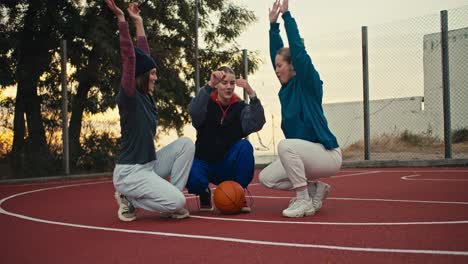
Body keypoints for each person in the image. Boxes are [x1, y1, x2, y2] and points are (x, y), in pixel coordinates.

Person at [105, 0, 195, 222]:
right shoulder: (129, 96)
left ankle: (171, 200)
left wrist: (139, 23)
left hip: (149, 165)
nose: (155, 77)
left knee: (186, 144)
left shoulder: (147, 95)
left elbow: (143, 55)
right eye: (152, 73)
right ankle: (131, 198)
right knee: (179, 202)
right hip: (130, 173)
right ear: (142, 75)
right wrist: (121, 20)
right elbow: (130, 58)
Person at [259, 0, 342, 218]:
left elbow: (299, 51)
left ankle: (303, 199)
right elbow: (275, 53)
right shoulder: (286, 90)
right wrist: (273, 27)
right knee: (266, 178)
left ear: (293, 65)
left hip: (326, 154)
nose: (276, 70)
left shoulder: (307, 84)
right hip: (305, 156)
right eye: (275, 66)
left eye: (280, 66)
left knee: (285, 146)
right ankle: (315, 189)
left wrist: (287, 17)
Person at [186, 66, 266, 212]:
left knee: (245, 146)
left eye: (232, 83)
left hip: (227, 164)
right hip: (204, 162)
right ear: (217, 85)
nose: (228, 87)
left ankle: (238, 194)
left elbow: (258, 122)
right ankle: (204, 193)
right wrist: (209, 85)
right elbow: (193, 110)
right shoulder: (206, 103)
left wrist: (251, 93)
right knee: (192, 175)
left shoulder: (241, 107)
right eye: (224, 83)